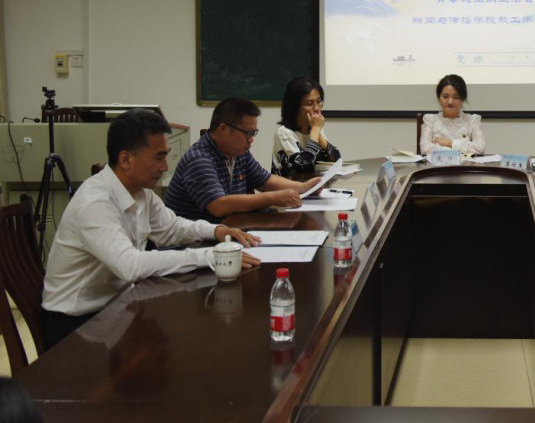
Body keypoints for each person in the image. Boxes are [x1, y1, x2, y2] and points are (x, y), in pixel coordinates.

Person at [41, 109, 260, 348]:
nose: (165, 167)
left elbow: (172, 228)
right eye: (158, 157)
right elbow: (131, 266)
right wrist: (209, 256)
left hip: (115, 308)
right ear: (126, 159)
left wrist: (216, 231)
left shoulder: (140, 191)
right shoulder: (95, 203)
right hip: (77, 325)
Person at [165, 97, 322, 222]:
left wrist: (304, 187)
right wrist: (273, 198)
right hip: (192, 244)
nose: (251, 139)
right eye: (248, 133)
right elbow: (219, 206)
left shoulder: (238, 152)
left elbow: (265, 180)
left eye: (254, 133)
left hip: (226, 232)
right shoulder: (199, 159)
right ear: (223, 129)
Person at [272, 77, 341, 178]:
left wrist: (317, 132)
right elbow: (302, 166)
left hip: (315, 185)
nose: (317, 108)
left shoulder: (315, 129)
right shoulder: (284, 132)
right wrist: (315, 130)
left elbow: (336, 159)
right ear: (294, 107)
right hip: (290, 186)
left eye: (319, 102)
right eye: (309, 104)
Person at [420, 74, 485, 156]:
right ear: (439, 98)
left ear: (462, 99)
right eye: (445, 97)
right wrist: (460, 148)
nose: (450, 102)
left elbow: (480, 147)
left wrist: (447, 142)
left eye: (456, 97)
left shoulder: (473, 120)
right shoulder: (430, 120)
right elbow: (425, 148)